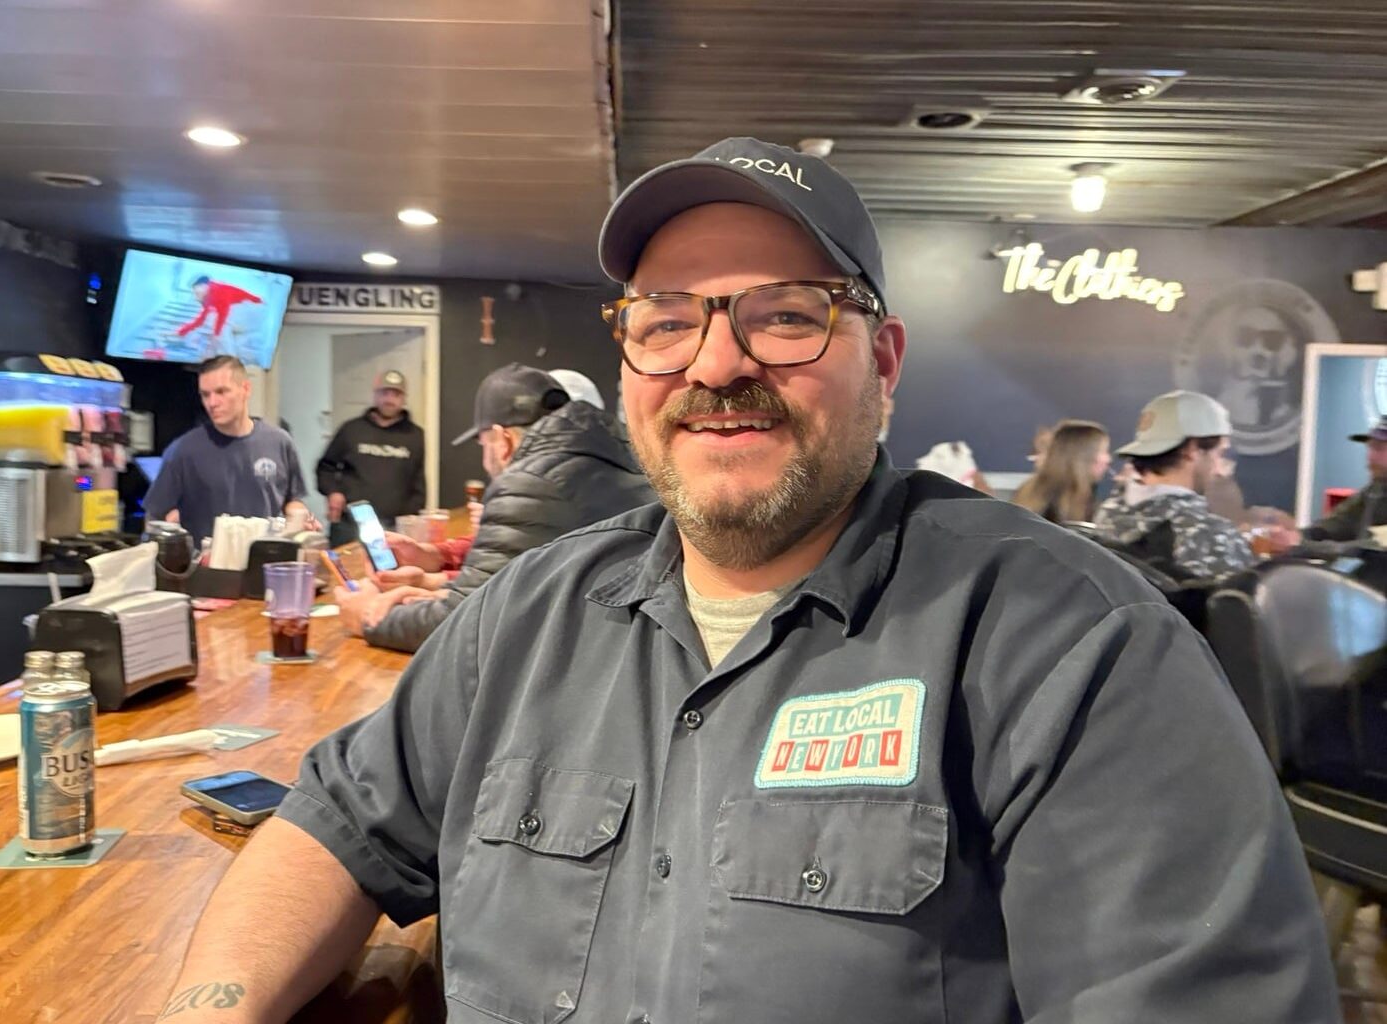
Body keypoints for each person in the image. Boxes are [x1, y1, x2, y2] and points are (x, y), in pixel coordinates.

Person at [163, 139, 1336, 1023]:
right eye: (666, 322)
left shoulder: (1076, 645)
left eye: (786, 317)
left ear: (884, 361)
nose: (717, 364)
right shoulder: (526, 615)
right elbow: (330, 828)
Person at [335, 363, 654, 652]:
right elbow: (513, 586)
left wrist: (368, 616)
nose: (484, 456)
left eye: (483, 443)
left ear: (503, 440)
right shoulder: (616, 459)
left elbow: (470, 626)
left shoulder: (530, 480)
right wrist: (437, 578)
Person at [1094, 390, 1268, 579]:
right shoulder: (1209, 534)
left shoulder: (1107, 514)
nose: (1219, 470)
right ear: (1192, 449)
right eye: (1219, 453)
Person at [142, 355, 310, 542]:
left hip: (265, 557)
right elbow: (154, 518)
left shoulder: (279, 443)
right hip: (207, 559)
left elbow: (293, 500)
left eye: (221, 392)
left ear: (246, 389)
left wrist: (300, 519)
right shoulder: (183, 451)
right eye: (206, 395)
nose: (212, 403)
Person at [316, 369, 427, 545]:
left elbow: (418, 482)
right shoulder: (351, 429)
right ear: (375, 395)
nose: (389, 399)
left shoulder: (415, 435)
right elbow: (326, 467)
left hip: (394, 528)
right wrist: (333, 491)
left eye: (396, 394)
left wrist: (411, 521)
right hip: (350, 525)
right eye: (384, 393)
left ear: (404, 398)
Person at [1303, 416, 1387, 542]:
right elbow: (1337, 524)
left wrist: (1299, 545)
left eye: (1379, 448)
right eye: (1370, 447)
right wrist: (1295, 537)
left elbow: (1371, 549)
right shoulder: (1375, 490)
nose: (1370, 456)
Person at [1012, 419, 1110, 524]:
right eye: (1103, 451)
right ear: (1082, 456)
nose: (1108, 459)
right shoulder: (1051, 503)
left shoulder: (1034, 491)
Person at [174, 276, 263, 347]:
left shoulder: (218, 290)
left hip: (254, 307)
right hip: (248, 310)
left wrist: (216, 335)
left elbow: (223, 314)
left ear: (203, 286)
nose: (195, 295)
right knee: (215, 320)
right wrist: (181, 332)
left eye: (196, 291)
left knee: (217, 322)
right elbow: (200, 320)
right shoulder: (209, 297)